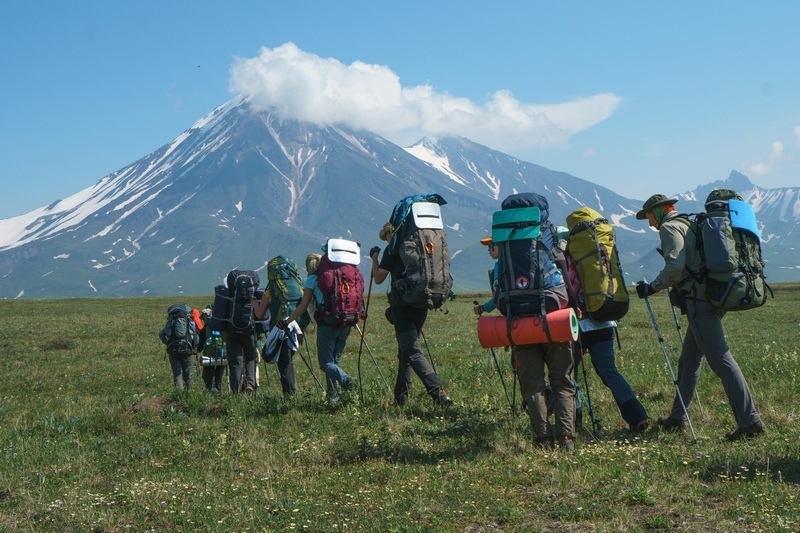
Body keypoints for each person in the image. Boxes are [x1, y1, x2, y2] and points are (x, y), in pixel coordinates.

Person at [635, 194, 764, 441]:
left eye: (649, 215)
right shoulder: (688, 222)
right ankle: (677, 417)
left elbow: (675, 267)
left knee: (721, 360)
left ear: (660, 210)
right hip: (711, 297)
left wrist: (651, 287)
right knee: (690, 358)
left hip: (698, 302)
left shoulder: (670, 227)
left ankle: (750, 422)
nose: (649, 221)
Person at [370, 221, 452, 407]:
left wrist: (374, 258)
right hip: (421, 304)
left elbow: (378, 278)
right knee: (405, 352)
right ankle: (400, 399)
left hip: (401, 307)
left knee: (413, 352)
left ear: (390, 234)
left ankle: (437, 392)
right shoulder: (419, 249)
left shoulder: (392, 250)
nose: (387, 239)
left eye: (387, 236)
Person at [282, 252, 356, 403]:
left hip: (327, 323)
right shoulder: (337, 275)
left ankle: (346, 380)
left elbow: (303, 306)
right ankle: (333, 396)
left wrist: (288, 320)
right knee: (334, 361)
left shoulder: (312, 279)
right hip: (345, 322)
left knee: (325, 363)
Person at [253, 272, 298, 397]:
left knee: (283, 363)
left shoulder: (271, 288)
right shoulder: (294, 284)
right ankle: (291, 393)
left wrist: (255, 305)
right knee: (288, 360)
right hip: (296, 327)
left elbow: (259, 314)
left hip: (280, 328)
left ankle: (289, 396)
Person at [197, 307, 225, 393]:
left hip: (209, 357)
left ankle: (211, 390)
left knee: (207, 376)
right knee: (218, 378)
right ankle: (219, 391)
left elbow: (199, 348)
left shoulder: (204, 330)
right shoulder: (222, 326)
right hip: (223, 355)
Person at [473, 236, 499, 316]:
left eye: (491, 245)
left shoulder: (499, 265)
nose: (488, 249)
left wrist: (482, 308)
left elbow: (499, 296)